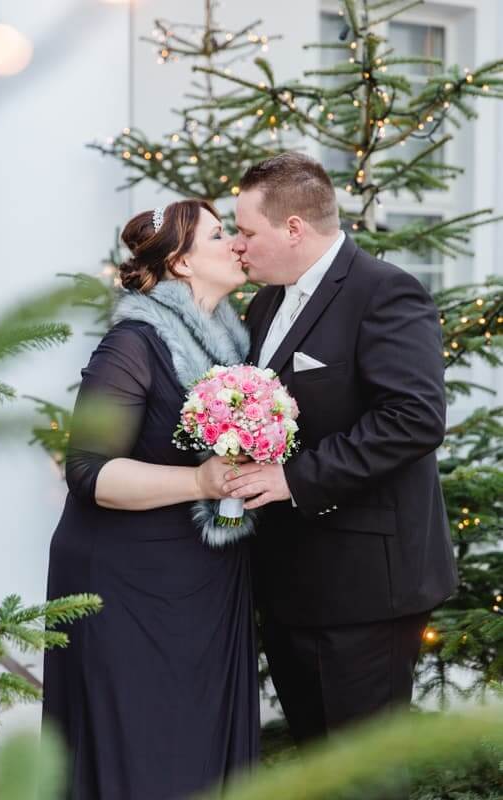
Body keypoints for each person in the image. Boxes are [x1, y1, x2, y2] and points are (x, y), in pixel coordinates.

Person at [225, 152, 458, 750]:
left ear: (294, 227)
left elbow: (414, 418)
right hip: (291, 585)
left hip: (365, 592)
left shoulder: (385, 291)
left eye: (247, 231)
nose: (237, 246)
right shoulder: (266, 304)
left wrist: (293, 479)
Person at [42, 199, 260, 800]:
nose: (238, 244)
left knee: (201, 750)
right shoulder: (133, 344)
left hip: (208, 577)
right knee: (144, 748)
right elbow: (88, 470)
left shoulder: (239, 349)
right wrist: (198, 483)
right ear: (183, 263)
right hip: (127, 580)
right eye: (221, 236)